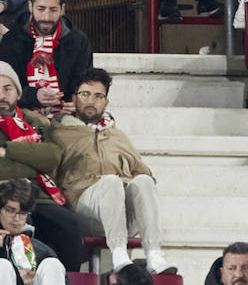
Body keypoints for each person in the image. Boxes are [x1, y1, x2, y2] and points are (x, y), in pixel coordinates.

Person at [0, 61, 84, 271]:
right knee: (18, 221)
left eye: (7, 88)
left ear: (18, 93)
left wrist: (7, 149)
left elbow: (53, 157)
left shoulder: (35, 121)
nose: (1, 95)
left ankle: (67, 282)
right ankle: (22, 282)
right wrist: (34, 164)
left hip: (39, 197)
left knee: (68, 223)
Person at [51, 67, 175, 273]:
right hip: (83, 209)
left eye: (98, 96)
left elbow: (143, 172)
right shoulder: (59, 133)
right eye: (85, 94)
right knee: (110, 181)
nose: (91, 101)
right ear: (74, 98)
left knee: (143, 181)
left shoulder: (117, 135)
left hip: (121, 210)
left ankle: (154, 254)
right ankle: (119, 254)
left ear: (106, 102)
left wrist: (132, 180)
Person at [0, 0, 93, 118]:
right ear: (30, 6)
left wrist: (78, 102)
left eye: (53, 10)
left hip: (66, 116)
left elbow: (85, 84)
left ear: (62, 9)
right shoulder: (11, 40)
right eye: (41, 9)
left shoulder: (78, 41)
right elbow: (3, 88)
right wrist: (33, 95)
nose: (46, 17)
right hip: (21, 115)